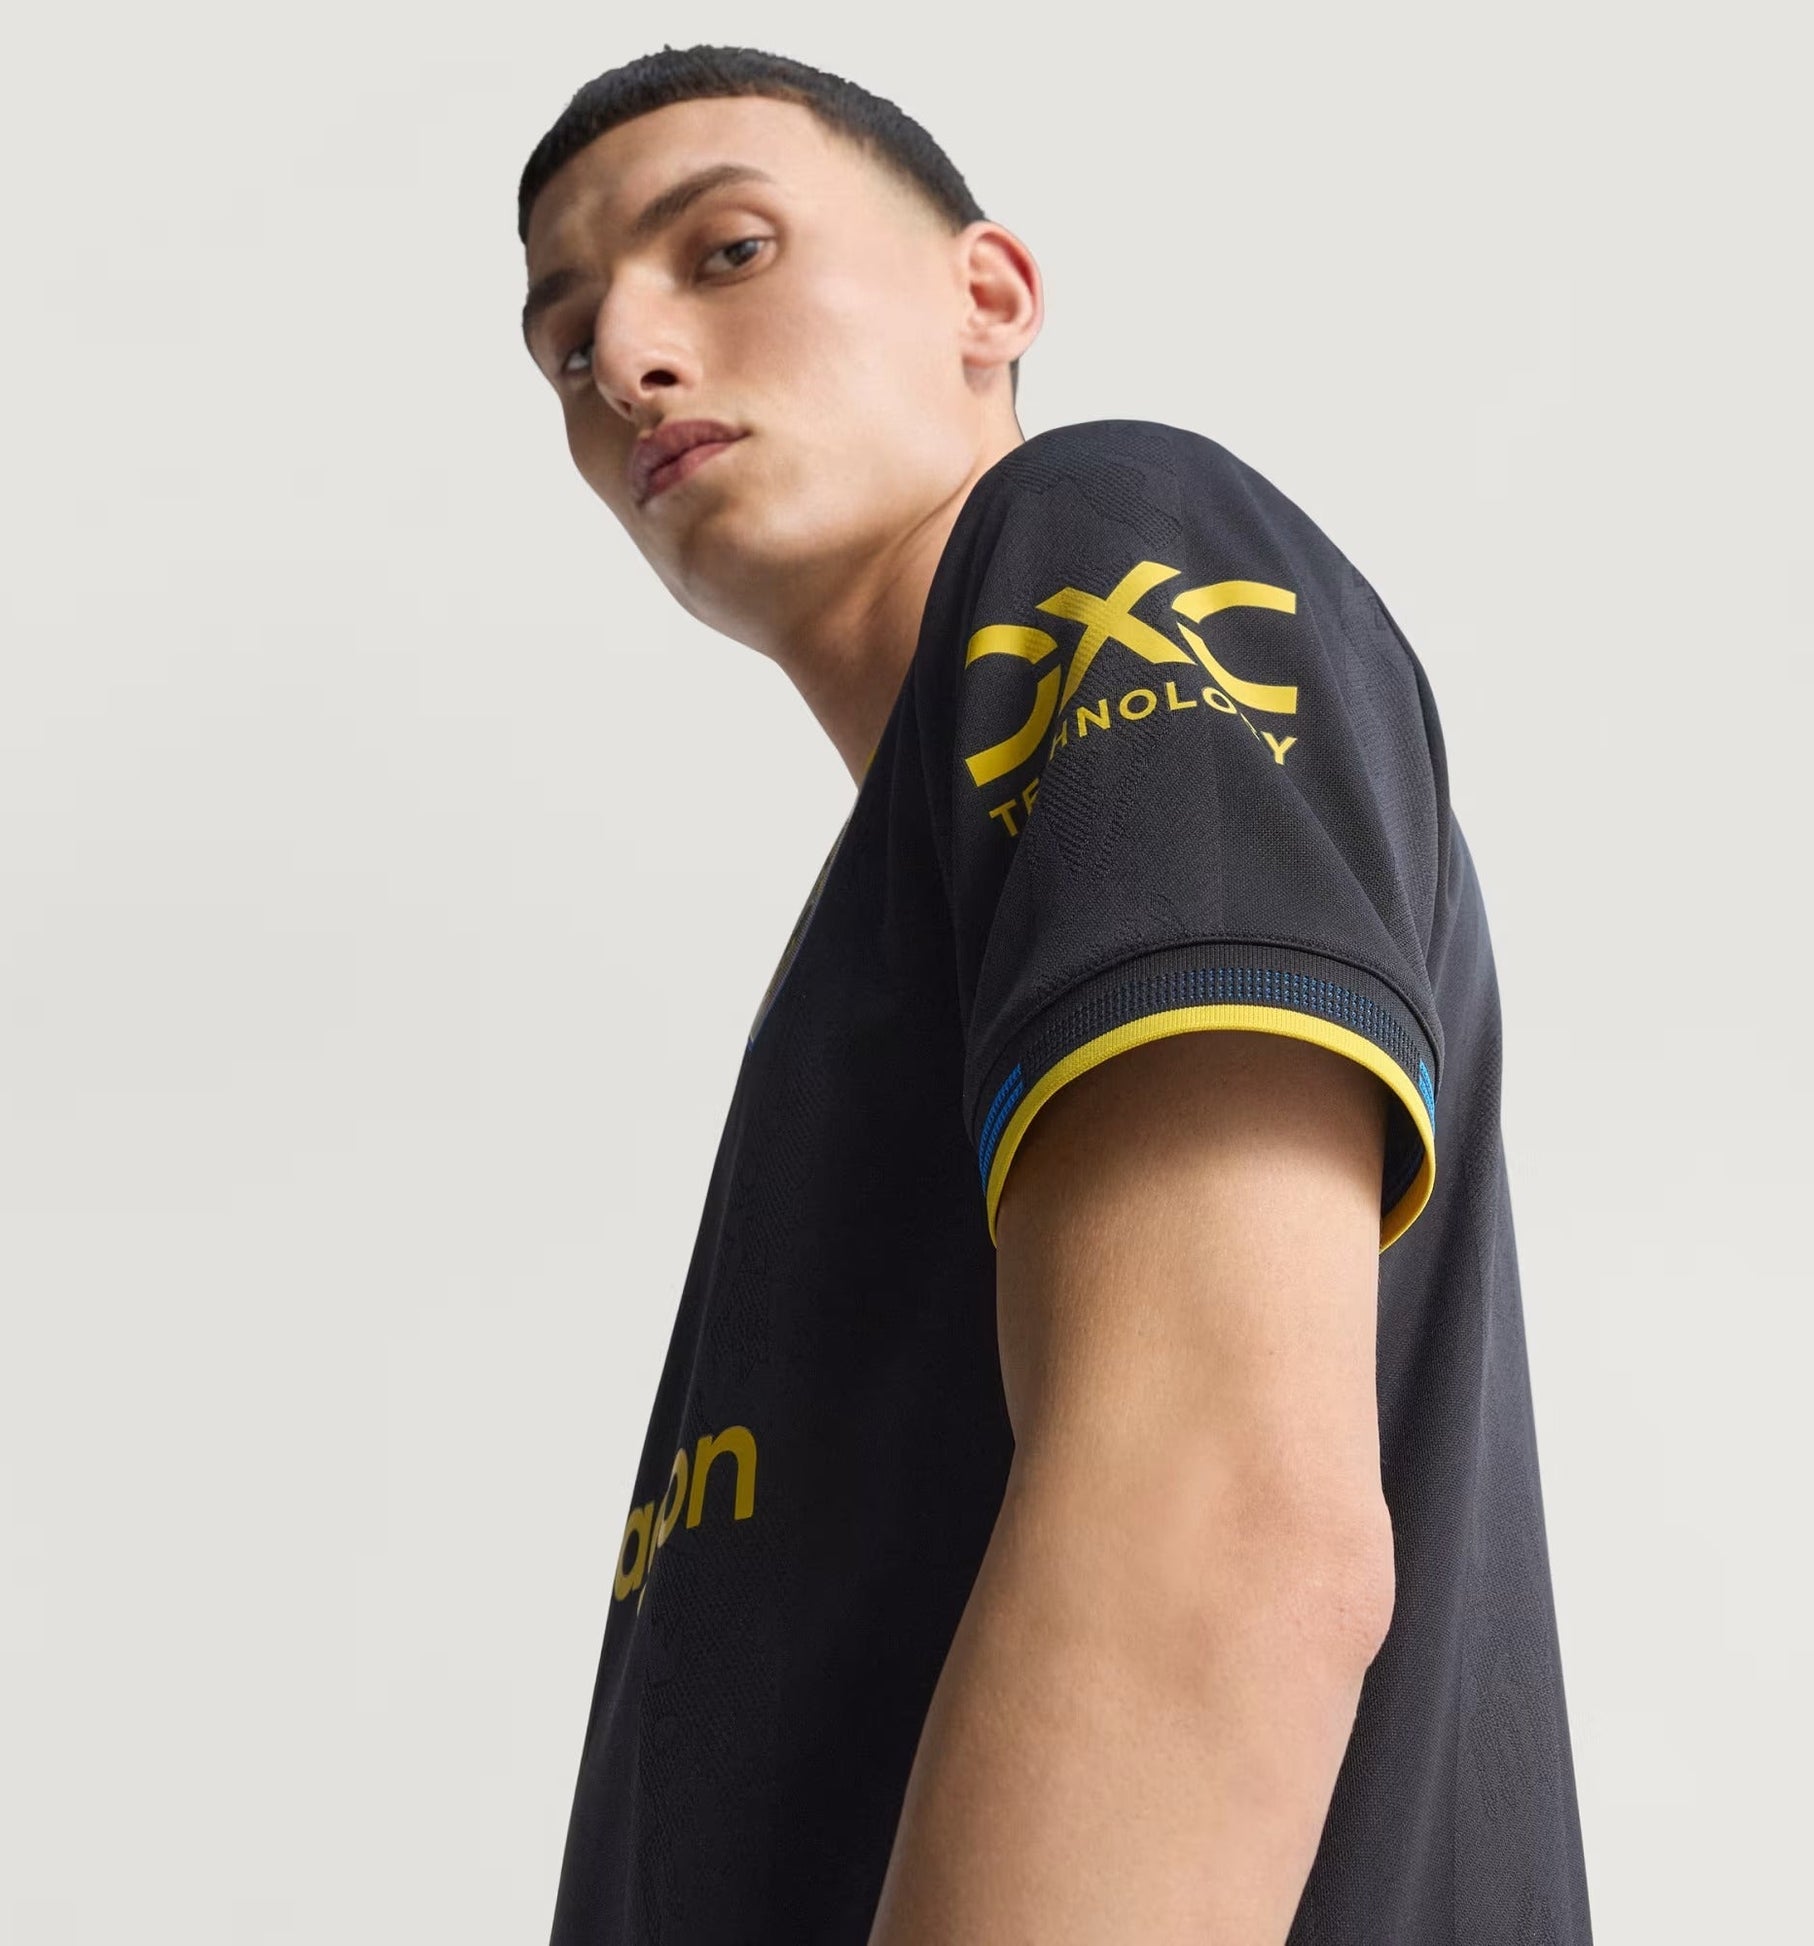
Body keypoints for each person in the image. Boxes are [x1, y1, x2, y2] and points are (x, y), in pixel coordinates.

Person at [515, 43, 1592, 1946]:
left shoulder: (1101, 536)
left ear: (988, 295)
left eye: (728, 250)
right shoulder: (867, 946)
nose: (627, 357)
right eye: (565, 338)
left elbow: (1224, 1530)